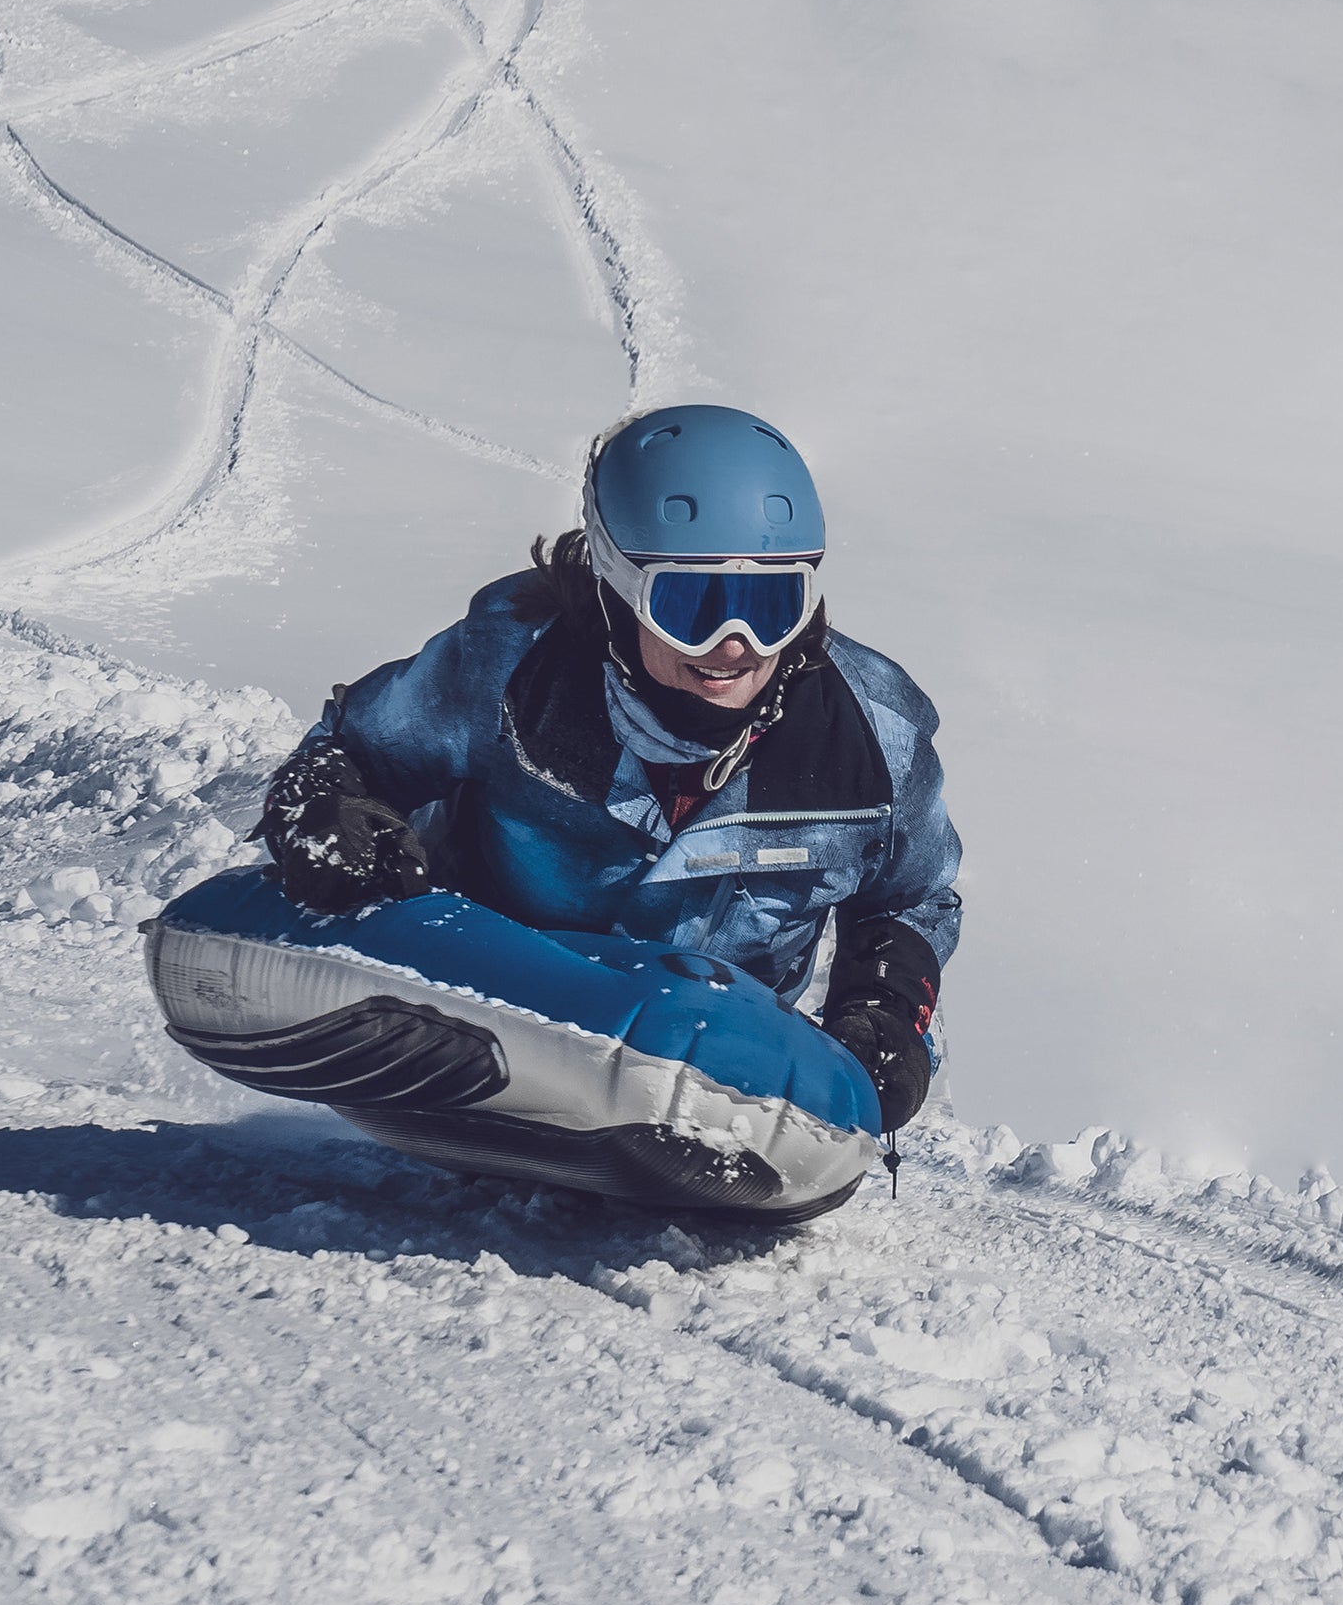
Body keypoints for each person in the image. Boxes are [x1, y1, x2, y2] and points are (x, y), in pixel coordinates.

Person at [254, 405, 958, 1133]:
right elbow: (355, 749)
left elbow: (912, 897)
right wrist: (331, 813)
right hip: (489, 1013)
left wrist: (887, 1008)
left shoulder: (872, 741)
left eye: (771, 604)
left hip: (713, 1074)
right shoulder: (513, 671)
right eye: (692, 606)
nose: (735, 644)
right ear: (618, 587)